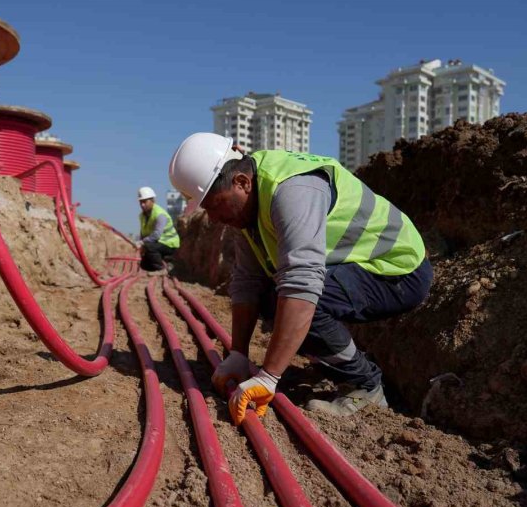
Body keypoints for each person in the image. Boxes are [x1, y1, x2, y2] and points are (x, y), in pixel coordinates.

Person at [168, 133, 431, 424]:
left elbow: (302, 284)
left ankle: (366, 385)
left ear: (242, 182)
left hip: (396, 269)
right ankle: (337, 364)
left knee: (300, 301)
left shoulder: (292, 190)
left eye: (216, 205)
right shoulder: (249, 206)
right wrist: (238, 354)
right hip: (357, 266)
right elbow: (247, 280)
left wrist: (268, 377)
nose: (214, 218)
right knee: (272, 299)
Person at [136, 186, 180, 272]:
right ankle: (165, 264)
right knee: (144, 265)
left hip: (169, 244)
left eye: (145, 202)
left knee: (149, 247)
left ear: (153, 201)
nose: (142, 205)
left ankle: (162, 269)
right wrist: (141, 245)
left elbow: (156, 235)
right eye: (140, 202)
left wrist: (142, 242)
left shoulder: (160, 214)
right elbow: (143, 233)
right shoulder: (142, 216)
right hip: (157, 244)